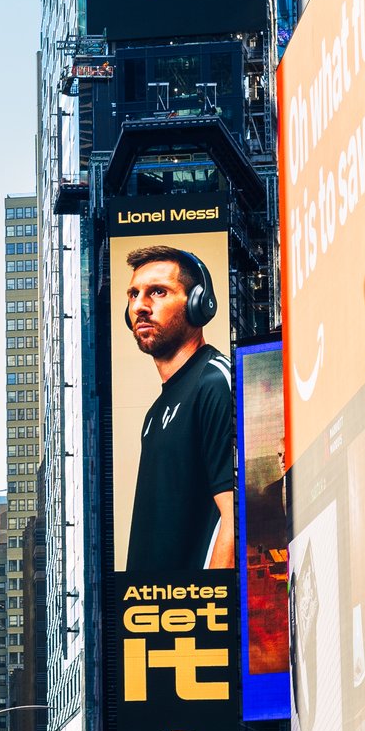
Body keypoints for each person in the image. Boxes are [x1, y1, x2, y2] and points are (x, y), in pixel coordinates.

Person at [118, 244, 237, 573]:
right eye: (134, 294)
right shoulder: (155, 413)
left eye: (157, 292)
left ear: (199, 304)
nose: (140, 306)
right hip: (151, 618)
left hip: (197, 617)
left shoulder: (215, 382)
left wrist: (212, 607)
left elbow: (239, 516)